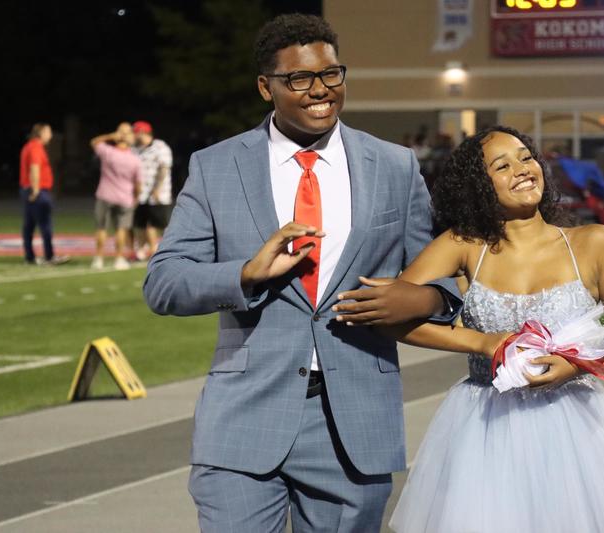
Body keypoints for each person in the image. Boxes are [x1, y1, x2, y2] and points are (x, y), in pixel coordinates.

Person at [143, 14, 460, 532]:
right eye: (299, 79)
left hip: (354, 426)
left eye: (331, 74)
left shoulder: (395, 165)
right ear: (265, 87)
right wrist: (246, 274)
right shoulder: (216, 166)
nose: (320, 91)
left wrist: (425, 302)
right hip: (243, 419)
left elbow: (441, 280)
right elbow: (164, 283)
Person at [373, 126, 604, 533]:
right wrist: (482, 343)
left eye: (526, 157)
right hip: (484, 427)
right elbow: (394, 318)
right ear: (479, 185)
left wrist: (577, 367)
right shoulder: (463, 245)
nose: (523, 170)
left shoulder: (595, 242)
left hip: (576, 430)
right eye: (502, 165)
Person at [90, 124, 142, 270]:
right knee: (121, 229)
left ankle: (98, 258)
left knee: (101, 228)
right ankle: (119, 258)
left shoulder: (108, 152)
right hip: (125, 198)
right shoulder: (135, 159)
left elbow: (94, 142)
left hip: (105, 195)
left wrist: (110, 136)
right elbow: (138, 184)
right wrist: (136, 198)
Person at [19, 123, 69, 266]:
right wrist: (35, 189)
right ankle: (49, 256)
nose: (51, 135)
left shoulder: (29, 146)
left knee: (29, 225)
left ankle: (30, 257)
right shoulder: (36, 147)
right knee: (45, 224)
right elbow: (35, 167)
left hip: (28, 188)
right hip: (37, 190)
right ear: (41, 133)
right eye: (49, 132)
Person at [131, 120, 173, 260]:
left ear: (142, 133)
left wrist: (157, 188)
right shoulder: (134, 149)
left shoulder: (160, 147)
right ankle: (144, 250)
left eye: (135, 133)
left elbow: (164, 168)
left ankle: (158, 250)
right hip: (140, 194)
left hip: (158, 195)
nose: (134, 136)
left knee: (157, 224)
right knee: (140, 224)